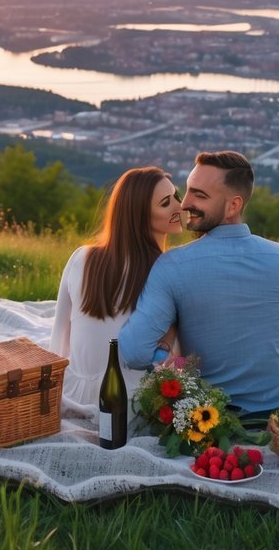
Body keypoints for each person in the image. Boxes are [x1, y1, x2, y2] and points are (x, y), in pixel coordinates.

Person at [119, 150, 279, 417]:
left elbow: (134, 352)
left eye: (200, 195)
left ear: (233, 205)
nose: (184, 204)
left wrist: (167, 359)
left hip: (209, 412)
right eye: (188, 191)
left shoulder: (171, 266)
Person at [50, 166, 183, 407]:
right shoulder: (167, 269)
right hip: (129, 398)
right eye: (166, 203)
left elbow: (60, 333)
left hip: (75, 391)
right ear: (140, 215)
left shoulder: (82, 257)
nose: (179, 207)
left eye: (176, 196)